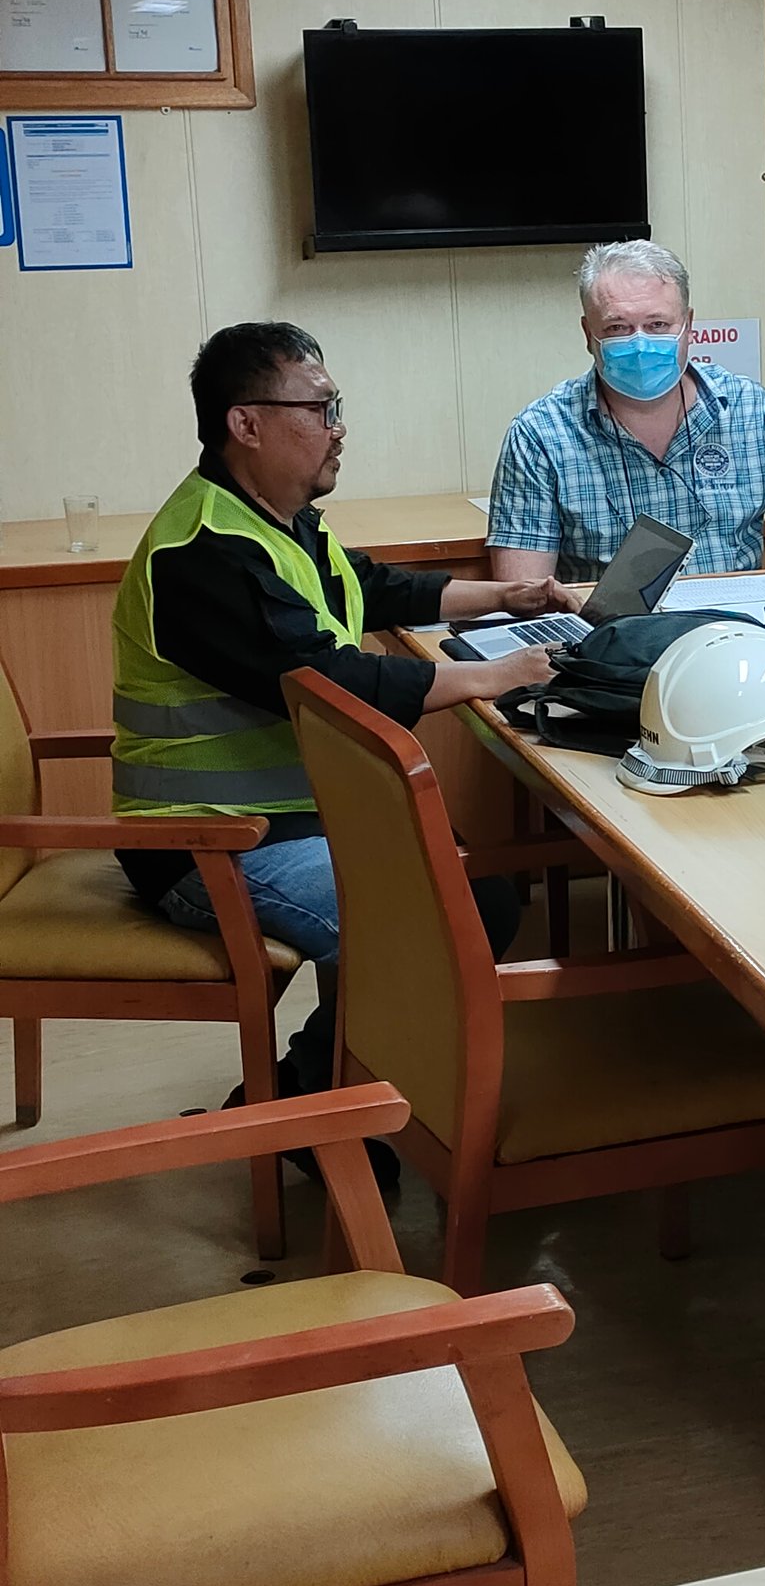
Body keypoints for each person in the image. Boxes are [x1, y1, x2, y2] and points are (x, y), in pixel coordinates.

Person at [113, 320, 579, 1115]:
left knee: (467, 881)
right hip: (209, 843)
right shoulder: (203, 553)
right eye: (320, 409)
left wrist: (508, 596)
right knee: (458, 916)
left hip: (292, 817)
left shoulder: (274, 519)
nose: (338, 428)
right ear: (246, 423)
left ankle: (320, 1099)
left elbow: (372, 587)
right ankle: (308, 1105)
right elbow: (327, 682)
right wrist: (492, 675)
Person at [487, 237, 765, 581]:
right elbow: (523, 589)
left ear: (689, 326)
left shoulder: (752, 410)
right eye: (618, 328)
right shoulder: (540, 434)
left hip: (736, 628)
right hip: (615, 634)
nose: (640, 343)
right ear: (589, 334)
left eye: (657, 324)